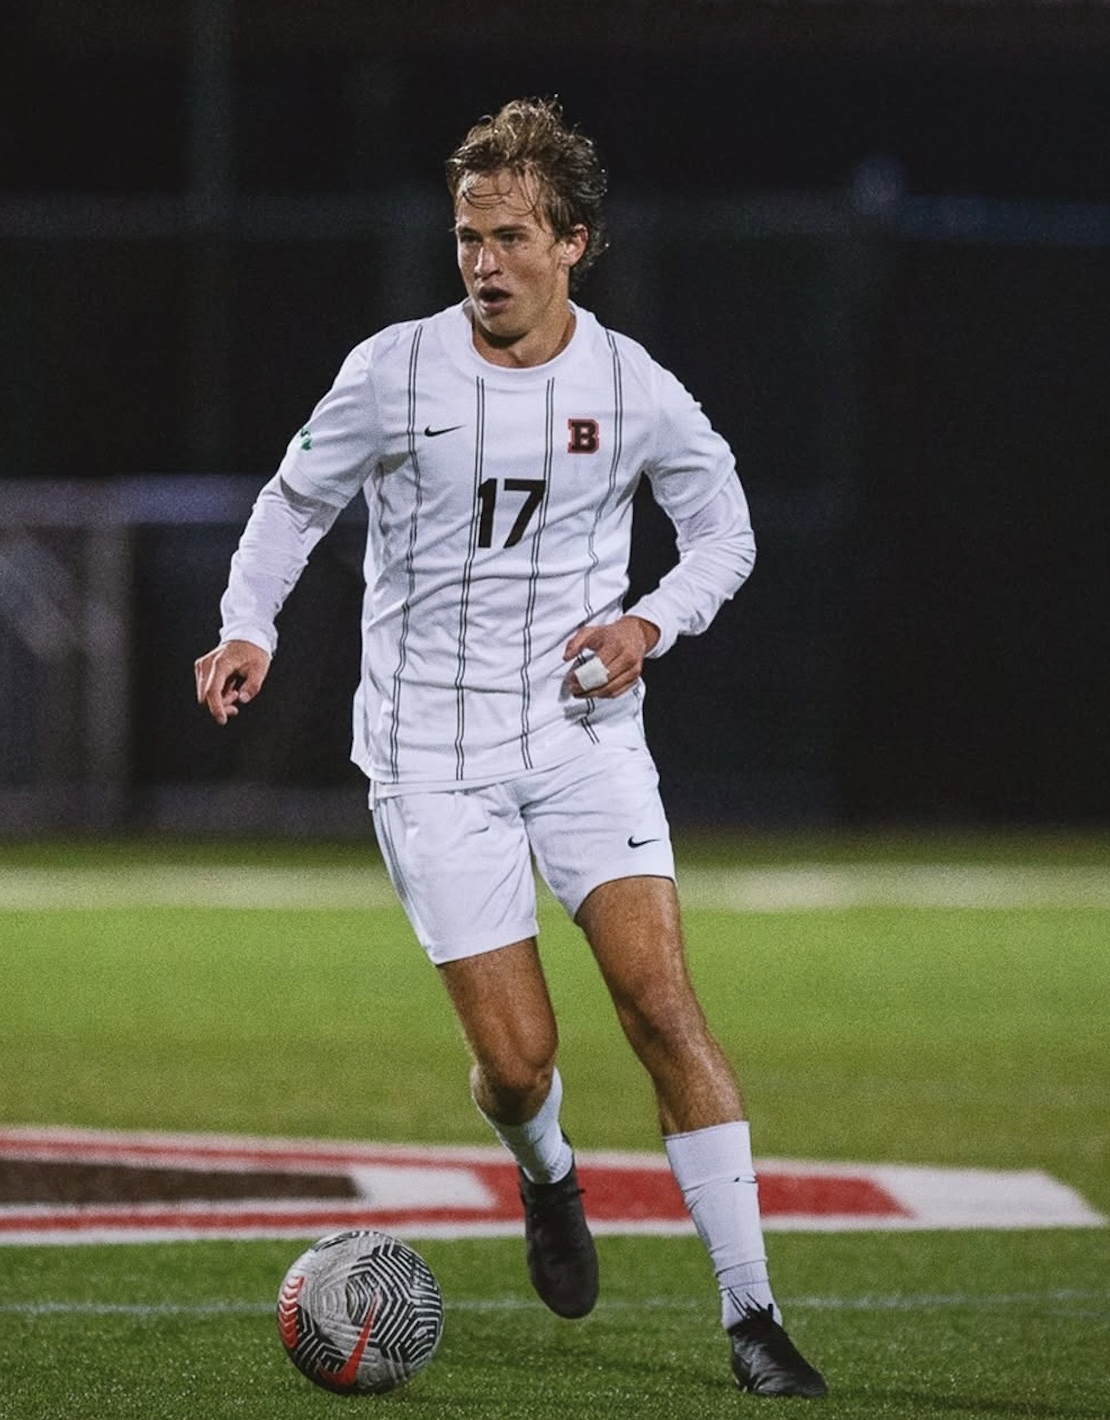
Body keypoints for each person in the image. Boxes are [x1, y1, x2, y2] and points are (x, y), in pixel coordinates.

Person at [195, 97, 826, 1399]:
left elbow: (725, 530)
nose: (481, 260)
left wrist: (650, 620)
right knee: (517, 1057)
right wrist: (245, 622)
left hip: (581, 739)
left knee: (660, 1003)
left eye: (510, 236)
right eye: (467, 236)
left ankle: (751, 1311)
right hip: (427, 759)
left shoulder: (629, 384)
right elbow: (291, 501)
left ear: (574, 243)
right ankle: (548, 1176)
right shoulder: (393, 370)